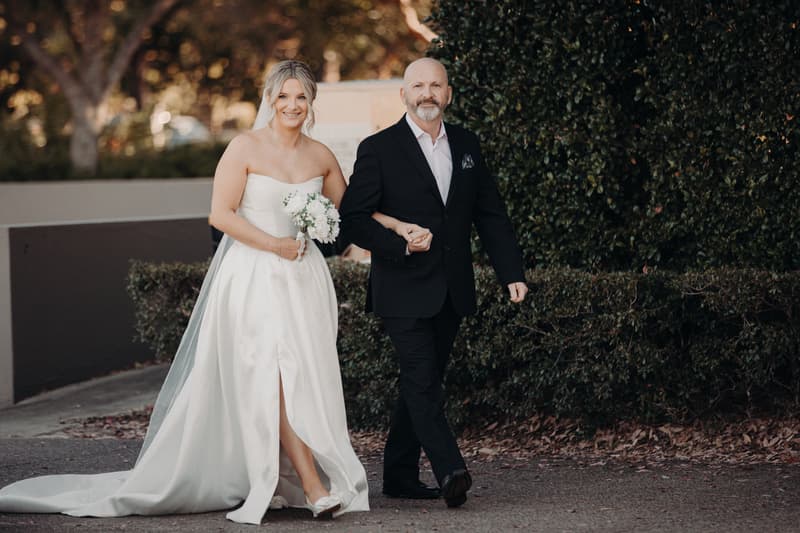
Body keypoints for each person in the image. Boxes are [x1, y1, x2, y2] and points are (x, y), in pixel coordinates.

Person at [0, 60, 380, 525]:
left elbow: (352, 214)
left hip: (303, 280)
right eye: (284, 95)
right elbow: (221, 215)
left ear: (312, 102)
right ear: (269, 99)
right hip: (253, 275)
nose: (292, 105)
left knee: (303, 375)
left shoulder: (321, 156)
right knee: (275, 374)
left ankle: (287, 478)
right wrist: (274, 245)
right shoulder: (244, 147)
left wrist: (393, 228)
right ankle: (314, 486)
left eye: (301, 96)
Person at [339, 57, 529, 508]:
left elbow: (490, 213)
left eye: (436, 85)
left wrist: (511, 272)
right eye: (418, 85)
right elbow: (354, 219)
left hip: (452, 288)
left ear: (448, 94)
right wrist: (400, 244)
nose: (427, 93)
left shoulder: (466, 144)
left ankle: (399, 475)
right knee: (423, 380)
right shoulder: (378, 148)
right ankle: (450, 470)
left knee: (420, 381)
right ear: (403, 94)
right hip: (401, 288)